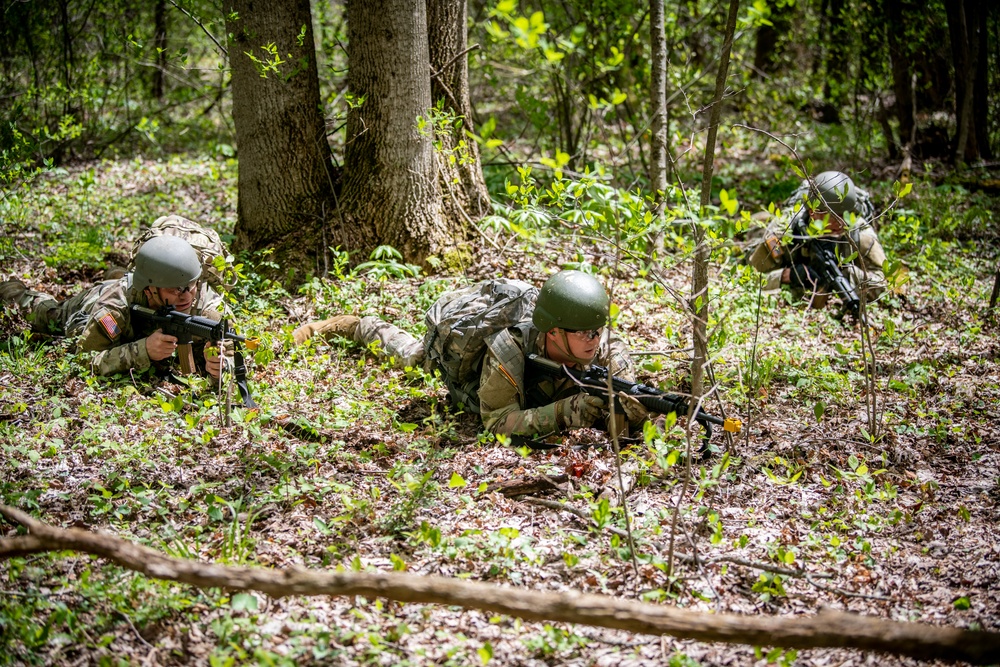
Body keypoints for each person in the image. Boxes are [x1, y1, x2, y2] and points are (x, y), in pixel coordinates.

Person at [292, 270, 650, 440]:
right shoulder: (510, 346)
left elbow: (632, 406)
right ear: (553, 331)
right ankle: (352, 324)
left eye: (598, 330)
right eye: (584, 333)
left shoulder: (606, 349)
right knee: (411, 356)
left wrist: (635, 414)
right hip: (468, 373)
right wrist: (566, 413)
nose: (594, 340)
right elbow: (496, 422)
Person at [1, 235, 226, 378]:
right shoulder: (112, 309)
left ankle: (117, 273)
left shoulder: (207, 306)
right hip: (91, 302)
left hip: (133, 287)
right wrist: (143, 350)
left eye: (191, 285)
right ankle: (13, 289)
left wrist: (221, 364)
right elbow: (84, 361)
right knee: (47, 314)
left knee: (121, 280)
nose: (186, 296)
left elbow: (234, 350)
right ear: (150, 289)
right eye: (175, 289)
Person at [747, 171, 887, 314]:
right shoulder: (785, 230)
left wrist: (848, 275)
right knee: (753, 227)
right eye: (832, 216)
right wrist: (787, 275)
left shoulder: (861, 235)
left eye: (844, 214)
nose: (840, 222)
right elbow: (750, 278)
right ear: (813, 212)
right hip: (764, 233)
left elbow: (883, 284)